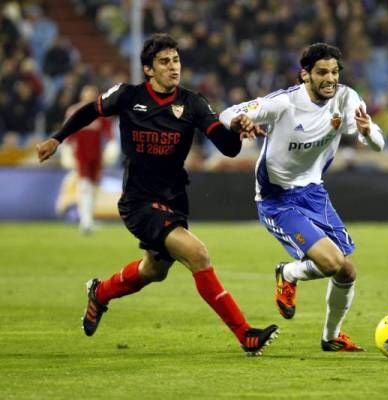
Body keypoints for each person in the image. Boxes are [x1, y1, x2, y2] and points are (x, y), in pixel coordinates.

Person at [36, 33, 278, 356]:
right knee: (198, 254)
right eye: (164, 62)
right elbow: (88, 112)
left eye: (176, 60)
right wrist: (57, 138)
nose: (173, 67)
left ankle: (100, 293)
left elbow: (228, 147)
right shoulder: (127, 96)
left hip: (174, 199)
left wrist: (236, 128)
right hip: (138, 201)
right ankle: (245, 334)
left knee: (154, 271)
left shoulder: (193, 103)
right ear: (148, 69)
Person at [219, 43, 385, 352]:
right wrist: (238, 122)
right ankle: (289, 272)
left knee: (347, 271)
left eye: (335, 72)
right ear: (304, 75)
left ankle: (331, 336)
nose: (330, 78)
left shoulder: (347, 99)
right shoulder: (284, 103)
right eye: (322, 72)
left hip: (314, 193)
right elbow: (228, 112)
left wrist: (368, 131)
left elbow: (378, 144)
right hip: (277, 199)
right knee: (334, 262)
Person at [60, 84, 117, 235]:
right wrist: (66, 149)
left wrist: (111, 146)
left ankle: (88, 219)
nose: (89, 95)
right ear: (82, 94)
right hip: (81, 154)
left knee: (93, 188)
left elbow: (108, 132)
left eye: (92, 93)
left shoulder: (101, 112)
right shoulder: (74, 111)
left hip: (97, 155)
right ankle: (85, 222)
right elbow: (68, 132)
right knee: (84, 187)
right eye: (87, 92)